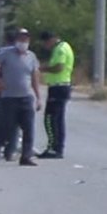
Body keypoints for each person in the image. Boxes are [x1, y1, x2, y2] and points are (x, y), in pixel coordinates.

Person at [0, 28, 42, 166]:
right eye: (21, 39)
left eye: (26, 40)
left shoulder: (31, 57)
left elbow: (34, 77)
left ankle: (26, 157)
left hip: (26, 98)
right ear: (16, 41)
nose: (23, 42)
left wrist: (38, 97)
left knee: (28, 128)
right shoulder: (7, 54)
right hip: (9, 98)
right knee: (6, 127)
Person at [38, 30, 74, 159]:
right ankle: (58, 147)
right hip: (61, 86)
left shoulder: (60, 49)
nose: (45, 46)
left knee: (50, 119)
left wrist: (43, 69)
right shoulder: (64, 46)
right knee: (58, 120)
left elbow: (59, 67)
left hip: (58, 87)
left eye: (46, 43)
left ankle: (53, 147)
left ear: (51, 39)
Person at [0, 28, 20, 161]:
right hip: (18, 92)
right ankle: (10, 151)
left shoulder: (3, 52)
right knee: (14, 123)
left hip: (4, 90)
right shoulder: (23, 53)